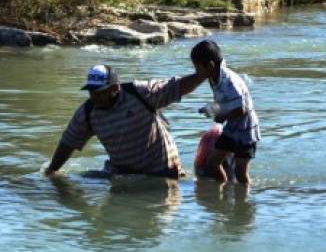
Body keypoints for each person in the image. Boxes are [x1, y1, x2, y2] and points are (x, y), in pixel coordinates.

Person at [45, 64, 209, 178]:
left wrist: (204, 74)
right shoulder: (87, 113)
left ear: (115, 88)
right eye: (91, 91)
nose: (94, 96)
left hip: (163, 173)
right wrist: (51, 171)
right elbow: (68, 142)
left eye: (99, 92)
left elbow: (178, 86)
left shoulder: (140, 93)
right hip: (123, 176)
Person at [191, 40, 260, 184]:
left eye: (197, 67)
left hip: (246, 130)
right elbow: (225, 102)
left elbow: (242, 109)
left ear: (210, 65)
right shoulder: (214, 77)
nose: (196, 71)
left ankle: (245, 202)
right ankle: (222, 189)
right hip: (232, 127)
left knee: (240, 172)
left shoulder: (229, 81)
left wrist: (222, 117)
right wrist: (212, 109)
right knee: (213, 162)